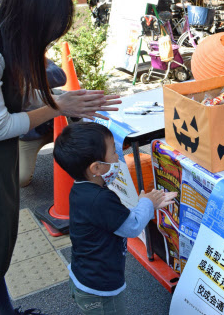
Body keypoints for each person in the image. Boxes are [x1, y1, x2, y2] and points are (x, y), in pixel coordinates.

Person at [0, 0, 121, 315]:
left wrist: (62, 99)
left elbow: (10, 98)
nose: (46, 44)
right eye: (46, 35)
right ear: (30, 22)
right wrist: (58, 106)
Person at [53, 122, 177, 314]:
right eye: (113, 153)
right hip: (99, 291)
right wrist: (147, 203)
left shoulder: (81, 189)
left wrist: (147, 205)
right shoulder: (101, 199)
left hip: (84, 276)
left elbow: (115, 218)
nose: (118, 157)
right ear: (96, 168)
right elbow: (133, 227)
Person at [19, 58, 67, 187]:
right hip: (28, 135)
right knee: (21, 179)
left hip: (57, 125)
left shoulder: (31, 56)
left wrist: (25, 76)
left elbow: (60, 76)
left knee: (86, 150)